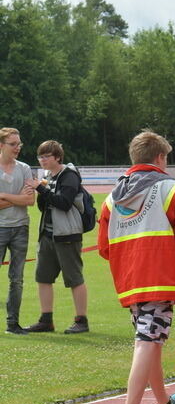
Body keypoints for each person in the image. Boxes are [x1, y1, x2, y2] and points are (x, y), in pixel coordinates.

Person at [97, 130, 175, 404]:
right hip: (159, 276)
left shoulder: (111, 197)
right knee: (146, 343)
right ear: (160, 158)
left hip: (129, 279)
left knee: (150, 339)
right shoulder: (172, 190)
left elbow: (104, 247)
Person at [24, 141, 90, 334]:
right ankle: (46, 320)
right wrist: (40, 192)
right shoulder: (47, 176)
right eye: (40, 156)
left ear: (57, 157)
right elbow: (44, 206)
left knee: (74, 278)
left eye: (46, 156)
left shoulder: (69, 175)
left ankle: (81, 320)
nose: (42, 160)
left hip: (67, 234)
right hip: (48, 234)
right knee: (43, 277)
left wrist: (41, 189)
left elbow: (64, 202)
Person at [0, 128, 35, 335]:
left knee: (17, 279)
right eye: (13, 144)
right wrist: (17, 198)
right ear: (1, 145)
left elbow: (30, 200)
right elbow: (22, 199)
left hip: (21, 227)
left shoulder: (24, 169)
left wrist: (4, 195)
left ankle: (13, 324)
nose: (18, 148)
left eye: (19, 144)